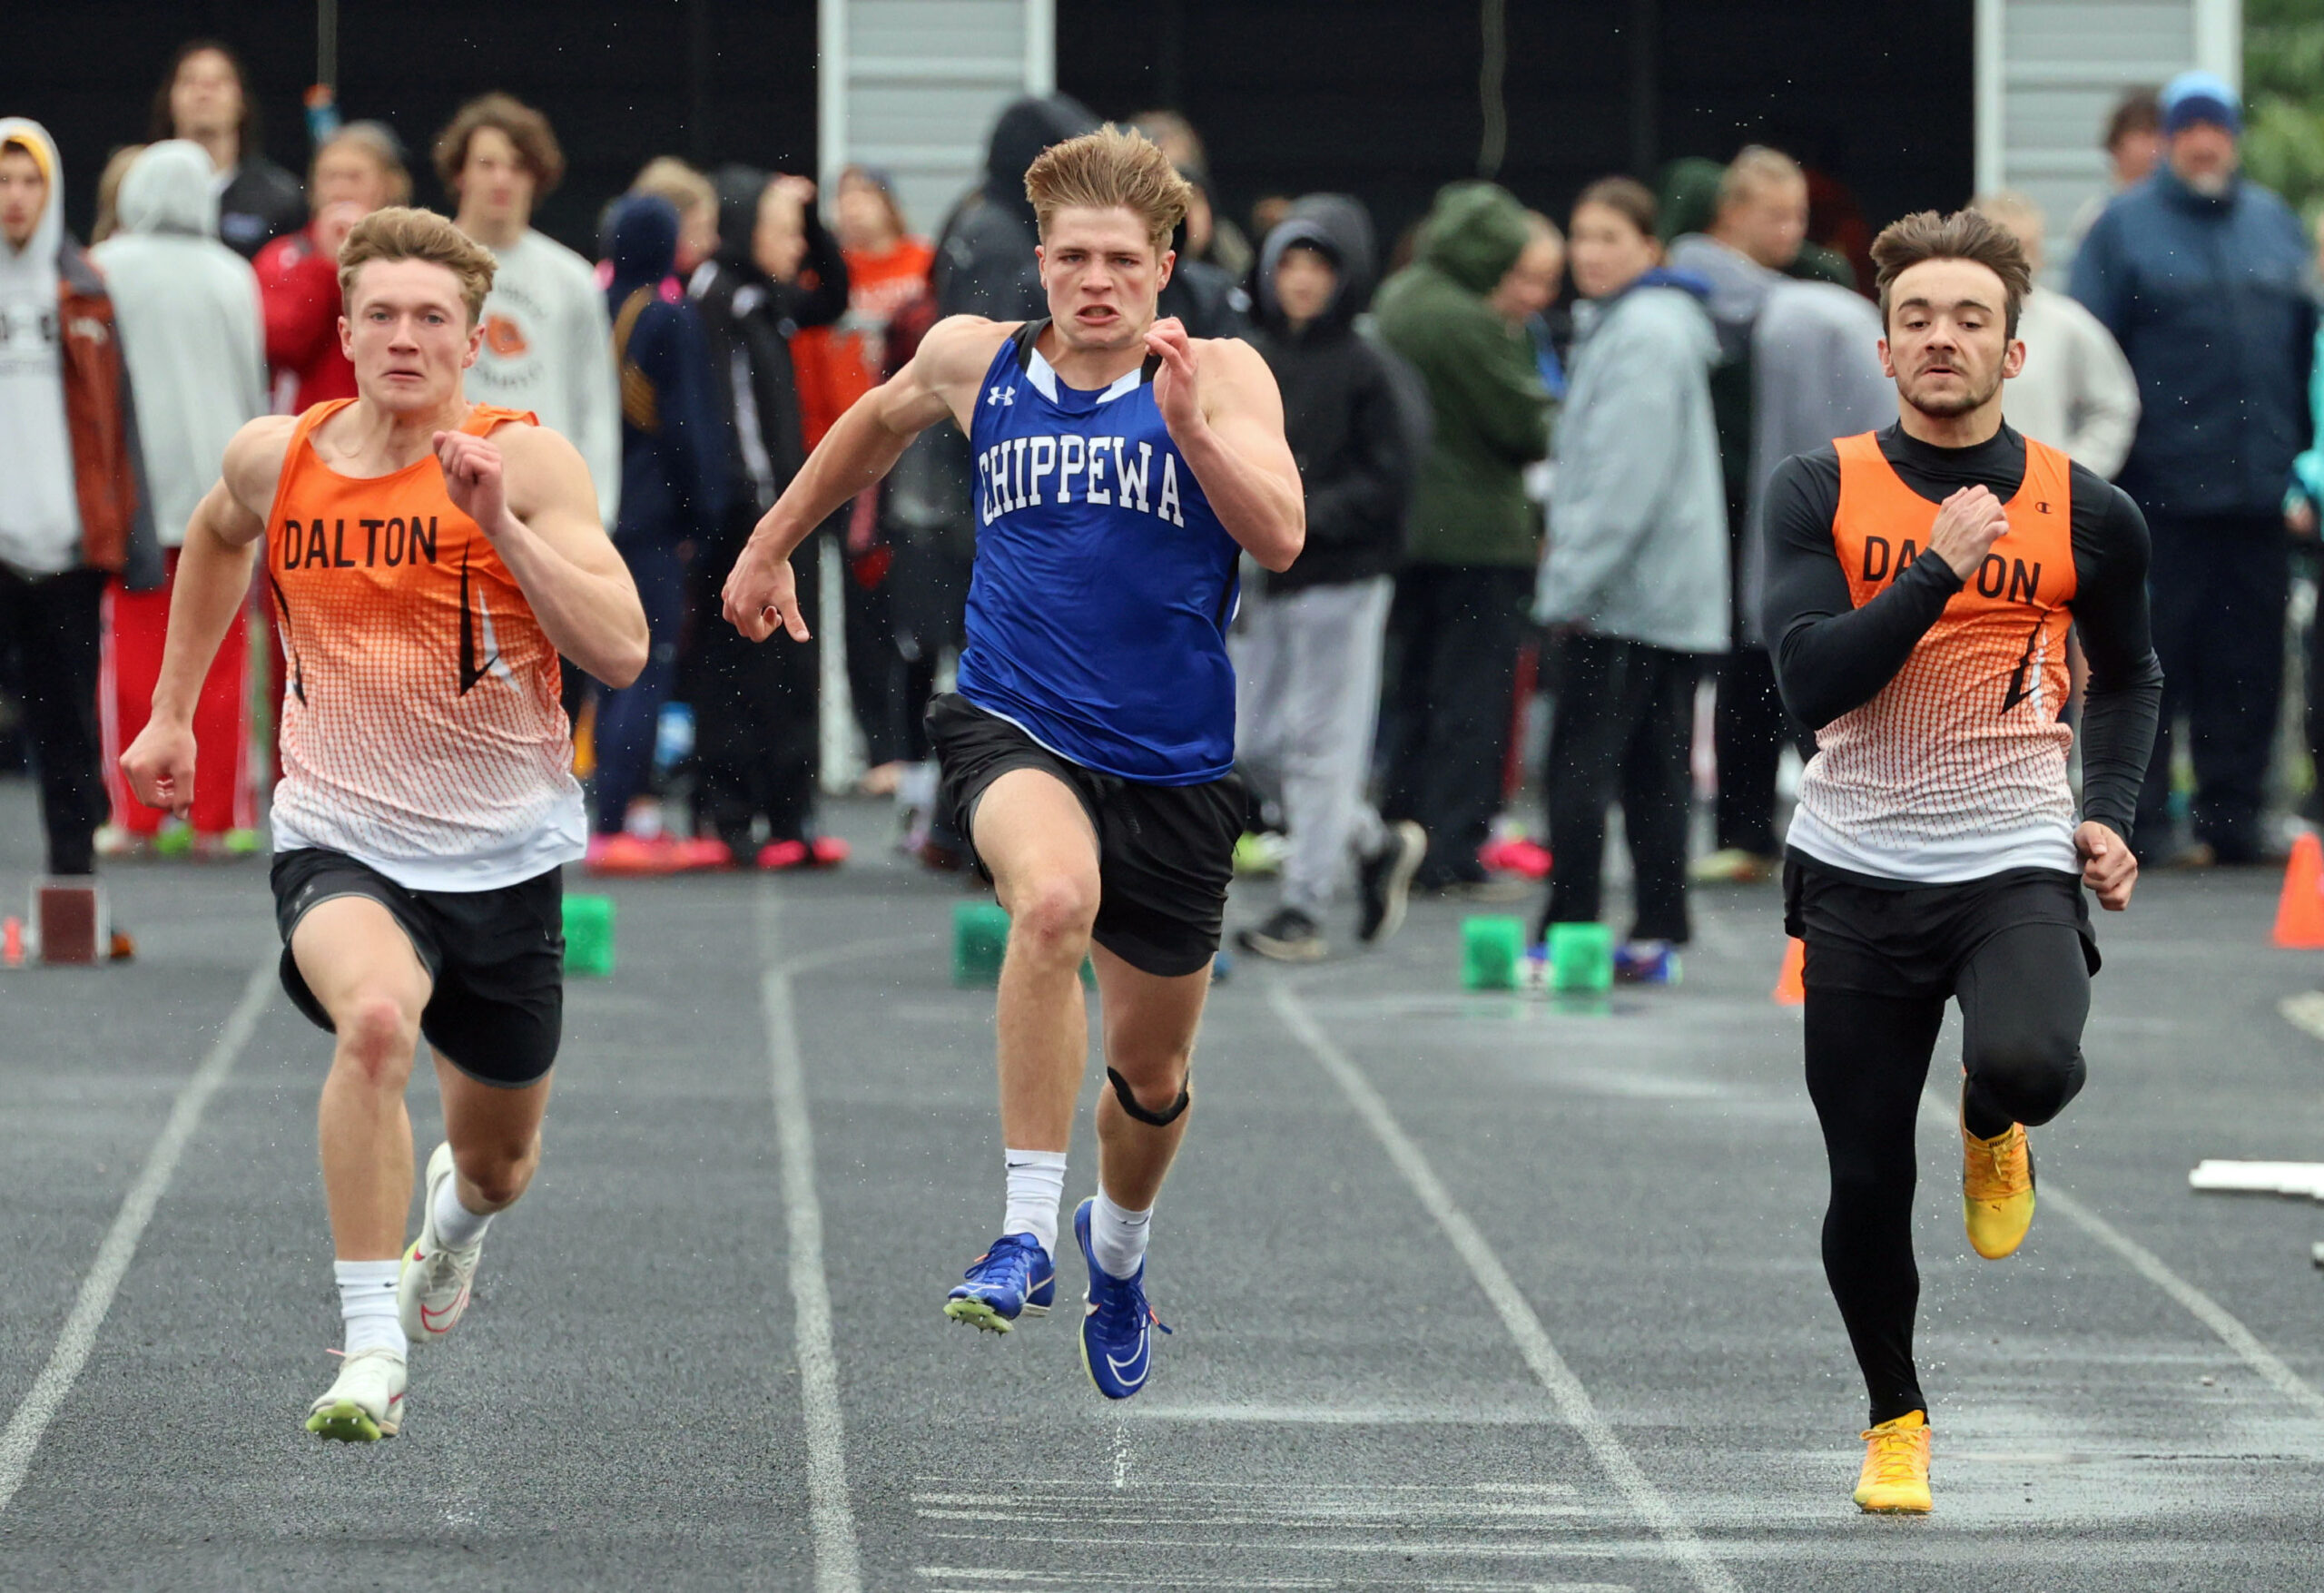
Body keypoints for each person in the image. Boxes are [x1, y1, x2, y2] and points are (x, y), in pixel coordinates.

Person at [721, 125, 1302, 1399]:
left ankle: (1118, 1244)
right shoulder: (971, 359)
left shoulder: (1225, 374)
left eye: (1122, 260)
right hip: (1016, 724)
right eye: (1073, 258)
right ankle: (1025, 1229)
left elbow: (1283, 532)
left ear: (1163, 263)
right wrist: (770, 546)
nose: (1097, 282)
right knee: (1049, 904)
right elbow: (871, 429)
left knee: (1151, 1083)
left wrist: (1195, 429)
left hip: (1175, 767)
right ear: (1039, 261)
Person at [120, 206, 647, 1442]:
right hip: (339, 833)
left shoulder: (529, 462)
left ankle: (450, 1234)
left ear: (474, 342)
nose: (406, 337)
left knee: (501, 1163)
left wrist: (504, 526)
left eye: (433, 319)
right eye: (384, 316)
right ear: (345, 330)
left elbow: (620, 647)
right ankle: (370, 1348)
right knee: (370, 1024)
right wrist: (171, 714)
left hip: (503, 857)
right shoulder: (280, 455)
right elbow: (213, 533)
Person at [1762, 210, 2161, 1514]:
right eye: (1920, 318)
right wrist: (1934, 572)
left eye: (1970, 318)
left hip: (2009, 854)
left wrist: (2104, 805)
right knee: (1868, 1173)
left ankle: (1993, 1117)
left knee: (2036, 1061)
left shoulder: (2088, 511)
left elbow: (2132, 673)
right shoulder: (1815, 489)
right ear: (1885, 348)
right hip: (1859, 862)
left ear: (2014, 346)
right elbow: (1810, 685)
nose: (1943, 337)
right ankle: (1895, 1415)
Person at [2071, 71, 2316, 867]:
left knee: (2248, 661)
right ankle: (2138, 817)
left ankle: (2234, 816)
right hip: (2158, 495)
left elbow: (2303, 354)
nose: (2207, 142)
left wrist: (2302, 470)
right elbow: (2094, 358)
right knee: (2150, 656)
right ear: (2170, 138)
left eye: (2219, 128)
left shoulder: (2276, 225)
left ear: (2233, 139)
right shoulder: (2123, 230)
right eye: (2192, 128)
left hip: (2257, 494)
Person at [1533, 178, 1727, 981]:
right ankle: (1658, 926)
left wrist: (1566, 587)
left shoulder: (1641, 334)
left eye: (1611, 236)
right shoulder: (1644, 324)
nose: (1590, 253)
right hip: (1666, 597)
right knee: (1655, 767)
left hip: (1624, 597)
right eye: (1581, 235)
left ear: (1651, 249)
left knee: (1582, 765)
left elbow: (1623, 481)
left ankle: (1568, 925)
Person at [1231, 195, 1423, 962]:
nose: (1302, 281)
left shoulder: (1372, 368)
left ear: (1347, 276)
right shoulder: (1252, 357)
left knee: (1318, 745)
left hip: (1342, 580)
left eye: (1320, 265)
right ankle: (1370, 845)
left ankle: (1304, 907)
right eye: (1290, 263)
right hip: (1268, 577)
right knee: (1248, 741)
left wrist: (1301, 511)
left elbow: (1393, 481)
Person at [1374, 181, 1553, 894]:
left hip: (1410, 532)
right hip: (1479, 536)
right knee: (1473, 698)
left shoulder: (1399, 298)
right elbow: (1523, 425)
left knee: (1412, 689)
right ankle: (1452, 847)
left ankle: (1404, 829)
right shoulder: (1468, 322)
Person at [90, 141, 268, 857]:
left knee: (131, 650)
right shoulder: (234, 276)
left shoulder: (105, 268)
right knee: (221, 652)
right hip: (217, 485)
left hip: (130, 486)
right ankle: (215, 817)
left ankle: (132, 817)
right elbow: (252, 383)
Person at [0, 119, 159, 887]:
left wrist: (132, 538)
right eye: (2, 181)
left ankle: (71, 887)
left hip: (65, 547)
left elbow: (119, 421)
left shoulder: (89, 287)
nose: (15, 198)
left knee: (67, 725)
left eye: (29, 180)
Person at [683, 168, 851, 868]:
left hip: (782, 513)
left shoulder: (765, 298)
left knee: (790, 661)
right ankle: (727, 809)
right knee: (732, 666)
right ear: (746, 227)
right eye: (780, 230)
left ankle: (789, 809)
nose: (794, 247)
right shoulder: (714, 297)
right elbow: (725, 417)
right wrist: (752, 511)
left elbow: (833, 296)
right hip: (740, 517)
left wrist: (811, 220)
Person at [1669, 146, 1812, 886]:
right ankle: (1743, 822)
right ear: (1732, 214)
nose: (1791, 231)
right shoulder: (1708, 298)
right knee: (1746, 658)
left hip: (1762, 492)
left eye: (1800, 218)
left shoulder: (1789, 294)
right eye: (1776, 216)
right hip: (1728, 498)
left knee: (1759, 655)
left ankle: (1751, 824)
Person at [586, 194, 728, 872]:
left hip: (591, 506)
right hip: (651, 512)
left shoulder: (592, 305)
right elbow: (687, 425)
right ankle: (620, 815)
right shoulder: (667, 316)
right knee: (645, 661)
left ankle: (609, 806)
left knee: (600, 670)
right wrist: (706, 511)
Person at [789, 164, 936, 789]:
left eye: (864, 195)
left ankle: (920, 746)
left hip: (915, 462)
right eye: (841, 199)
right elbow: (808, 367)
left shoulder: (920, 263)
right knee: (861, 612)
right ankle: (881, 750)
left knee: (922, 610)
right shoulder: (826, 280)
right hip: (852, 457)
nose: (852, 210)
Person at [435, 94, 621, 533]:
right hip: (441, 496)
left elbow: (595, 401)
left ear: (537, 178)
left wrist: (600, 509)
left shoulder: (573, 279)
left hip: (548, 504)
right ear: (460, 172)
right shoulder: (426, 268)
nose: (502, 178)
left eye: (518, 166)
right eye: (487, 163)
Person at [1971, 192, 2139, 477]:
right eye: (2002, 248)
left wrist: (2074, 474)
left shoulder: (2067, 324)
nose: (2017, 262)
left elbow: (2116, 404)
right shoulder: (1944, 325)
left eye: (2027, 248)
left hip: (2042, 502)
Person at [258, 122, 412, 414]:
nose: (340, 189)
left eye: (354, 177)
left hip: (388, 425)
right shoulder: (280, 257)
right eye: (330, 177)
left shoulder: (412, 257)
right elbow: (280, 346)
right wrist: (327, 265)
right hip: (304, 430)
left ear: (389, 185)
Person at [150, 40, 304, 260]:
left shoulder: (281, 197)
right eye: (190, 81)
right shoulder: (140, 190)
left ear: (242, 101)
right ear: (169, 99)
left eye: (218, 82)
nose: (204, 93)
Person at [2069, 88, 2163, 248]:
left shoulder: (2183, 215)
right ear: (2116, 144)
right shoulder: (2097, 217)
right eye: (2146, 134)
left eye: (2163, 136)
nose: (2157, 147)